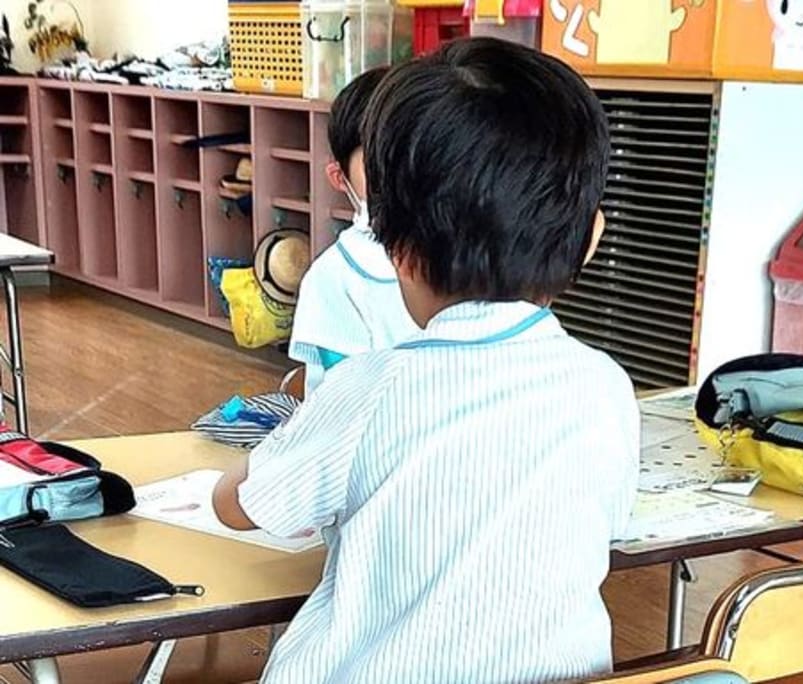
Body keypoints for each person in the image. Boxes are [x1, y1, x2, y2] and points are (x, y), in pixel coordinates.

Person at [213, 37, 639, 684]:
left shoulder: (370, 386)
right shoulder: (604, 386)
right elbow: (605, 523)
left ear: (398, 253)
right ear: (590, 239)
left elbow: (239, 504)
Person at [288, 66, 419, 397]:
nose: (401, 174)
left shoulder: (466, 247)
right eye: (379, 160)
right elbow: (341, 398)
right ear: (339, 176)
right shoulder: (334, 277)